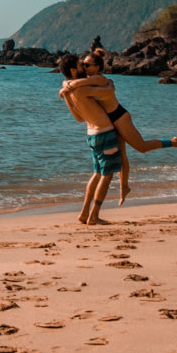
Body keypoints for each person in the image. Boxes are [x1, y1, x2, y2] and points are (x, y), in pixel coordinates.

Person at [59, 48, 177, 211]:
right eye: (83, 64)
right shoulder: (86, 79)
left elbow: (89, 86)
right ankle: (124, 188)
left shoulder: (99, 79)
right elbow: (74, 86)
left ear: (97, 67)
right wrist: (66, 85)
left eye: (87, 64)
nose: (84, 67)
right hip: (108, 123)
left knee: (141, 147)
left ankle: (172, 142)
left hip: (119, 117)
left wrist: (68, 86)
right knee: (122, 156)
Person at [56, 53, 121, 224]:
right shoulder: (80, 88)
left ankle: (84, 213)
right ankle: (94, 215)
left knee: (96, 174)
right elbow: (104, 85)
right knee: (107, 176)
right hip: (105, 133)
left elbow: (78, 118)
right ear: (73, 70)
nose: (83, 68)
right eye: (80, 65)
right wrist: (111, 85)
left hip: (91, 135)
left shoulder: (68, 92)